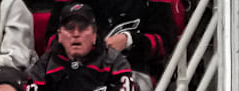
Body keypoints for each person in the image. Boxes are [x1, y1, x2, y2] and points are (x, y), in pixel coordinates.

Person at [45, 0, 174, 76]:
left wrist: (129, 40)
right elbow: (51, 41)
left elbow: (165, 43)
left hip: (133, 70)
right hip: (72, 72)